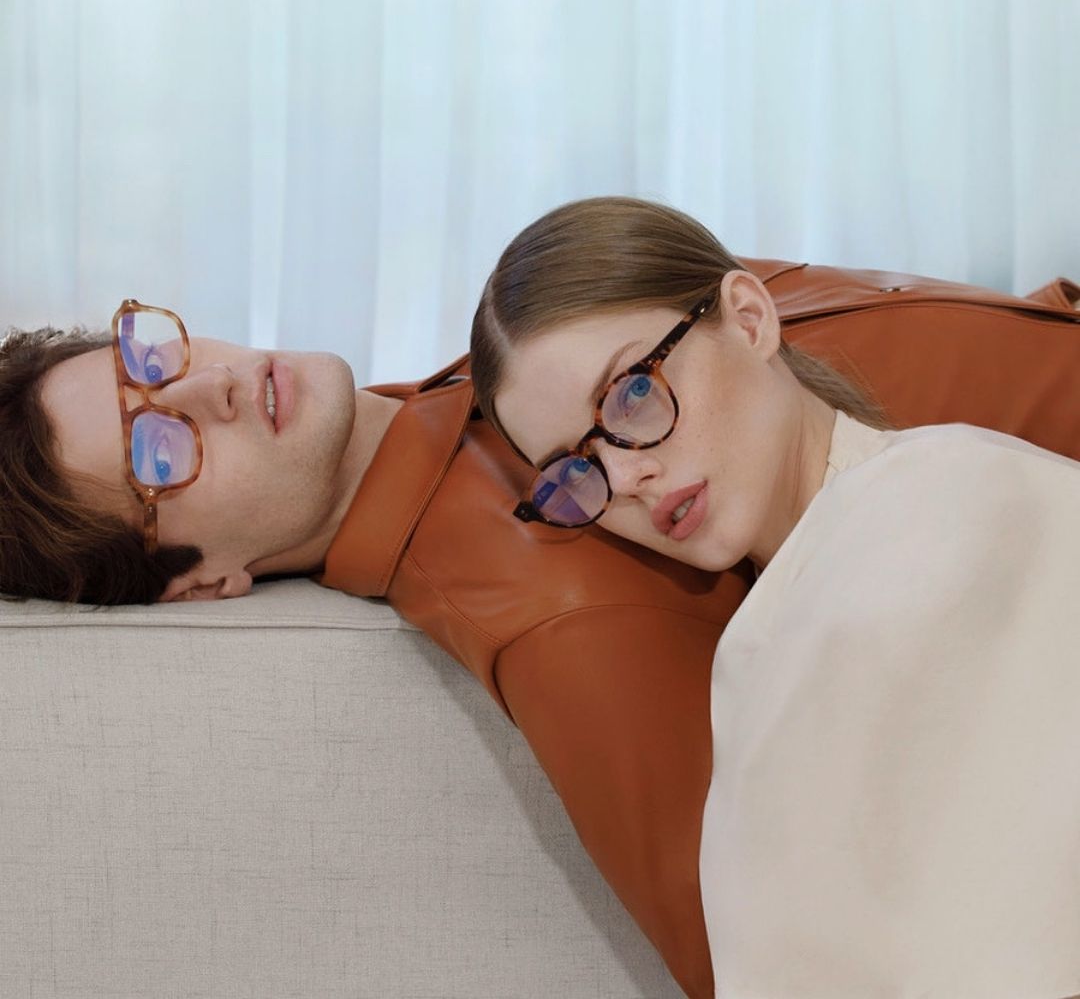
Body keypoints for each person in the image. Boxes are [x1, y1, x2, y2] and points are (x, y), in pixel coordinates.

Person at [3, 237, 1078, 999]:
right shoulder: (552, 593)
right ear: (199, 580)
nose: (206, 392)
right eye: (158, 454)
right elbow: (781, 943)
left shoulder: (450, 408)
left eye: (150, 360)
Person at [470, 196, 1080, 998]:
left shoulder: (953, 497)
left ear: (750, 319)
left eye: (630, 394)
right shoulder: (754, 656)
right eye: (574, 472)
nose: (624, 477)